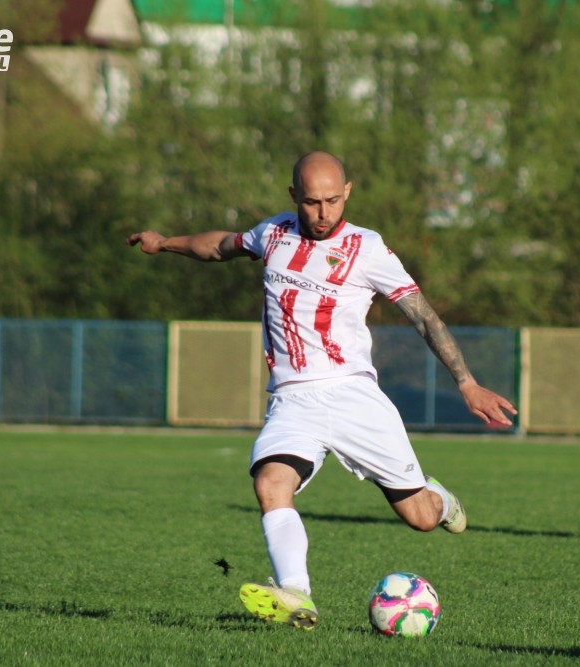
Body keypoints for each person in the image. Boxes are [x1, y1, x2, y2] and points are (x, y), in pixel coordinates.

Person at [128, 151, 517, 628]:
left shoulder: (367, 248)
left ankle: (441, 499)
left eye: (333, 200)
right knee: (270, 484)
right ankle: (297, 595)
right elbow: (220, 246)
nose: (322, 212)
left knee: (419, 516)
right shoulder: (274, 233)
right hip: (292, 400)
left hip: (354, 397)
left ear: (347, 192)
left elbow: (423, 317)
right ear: (294, 195)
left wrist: (467, 382)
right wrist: (165, 242)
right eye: (312, 202)